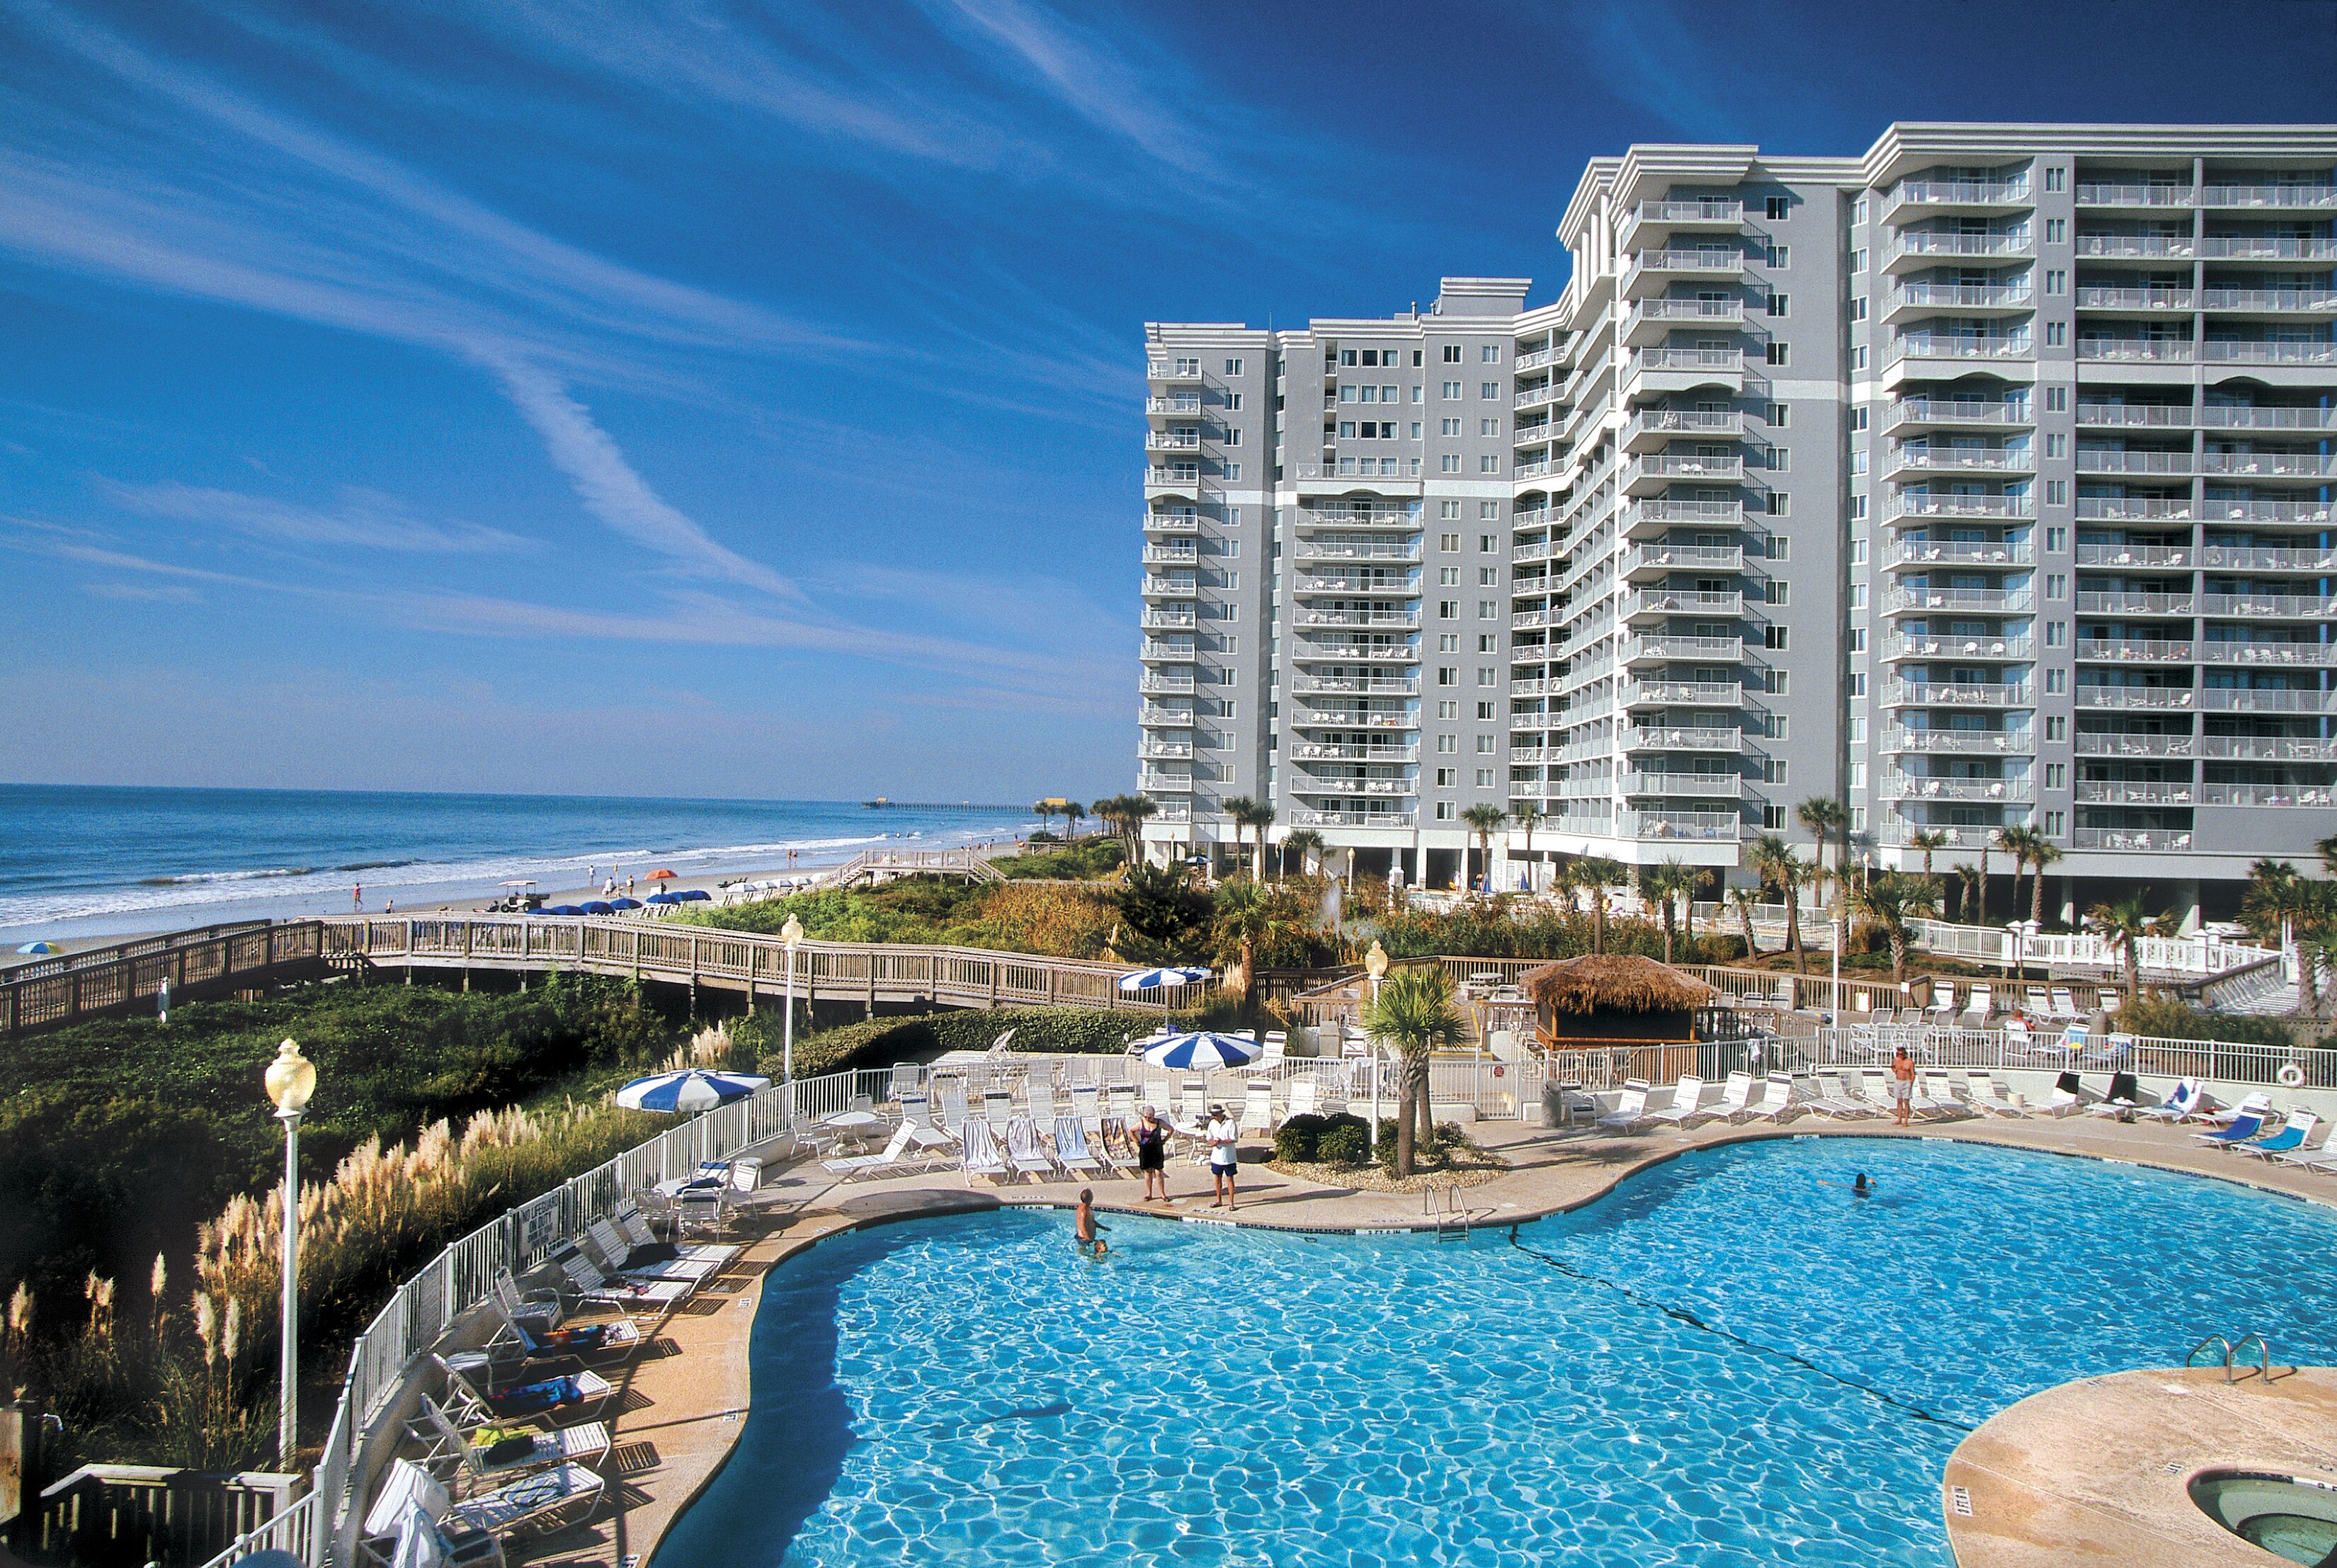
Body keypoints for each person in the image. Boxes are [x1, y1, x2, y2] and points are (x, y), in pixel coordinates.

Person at [1204, 1103, 1239, 1210]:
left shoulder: (1231, 1123)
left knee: (1230, 1179)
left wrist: (1222, 1141)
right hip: (1216, 1157)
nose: (1214, 1117)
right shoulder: (1212, 1123)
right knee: (1217, 1178)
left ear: (1221, 1114)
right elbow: (1208, 1137)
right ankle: (1219, 1200)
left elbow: (1234, 1139)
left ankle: (1231, 1203)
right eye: (1213, 1115)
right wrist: (1212, 1142)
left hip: (1228, 1157)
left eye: (1216, 1115)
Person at [1132, 1105, 1171, 1203]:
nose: (1148, 1119)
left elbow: (1171, 1130)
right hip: (1145, 1150)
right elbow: (1131, 1131)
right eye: (1146, 1117)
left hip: (1157, 1149)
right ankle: (1149, 1193)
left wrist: (1165, 1140)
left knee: (1159, 1172)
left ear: (1153, 1116)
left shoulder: (1159, 1123)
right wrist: (1137, 1142)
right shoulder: (1141, 1123)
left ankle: (1162, 1194)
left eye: (1150, 1117)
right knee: (1148, 1172)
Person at [1074, 1189, 1108, 1257]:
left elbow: (1091, 1221)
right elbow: (1083, 1226)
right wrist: (1089, 1238)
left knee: (1088, 1253)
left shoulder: (1086, 1208)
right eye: (1091, 1195)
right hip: (1084, 1238)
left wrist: (1102, 1227)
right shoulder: (1084, 1211)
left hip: (1085, 1238)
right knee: (1084, 1255)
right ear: (1090, 1198)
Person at [1890, 1045, 1916, 1127]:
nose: (1900, 1056)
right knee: (1899, 1101)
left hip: (1906, 1082)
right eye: (1899, 1054)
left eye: (1902, 1054)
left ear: (1905, 1054)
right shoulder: (1896, 1060)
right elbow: (1893, 1067)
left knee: (1906, 1102)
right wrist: (1895, 1070)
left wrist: (1911, 1083)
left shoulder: (1910, 1062)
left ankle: (1906, 1121)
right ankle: (1899, 1119)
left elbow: (1913, 1073)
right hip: (1898, 1082)